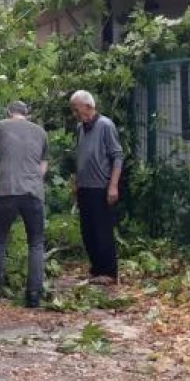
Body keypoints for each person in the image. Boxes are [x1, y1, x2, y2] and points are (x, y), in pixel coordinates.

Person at [0, 101, 50, 308]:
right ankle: (33, 296)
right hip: (33, 193)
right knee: (36, 243)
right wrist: (35, 177)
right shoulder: (40, 132)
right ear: (27, 114)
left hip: (6, 191)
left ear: (8, 112)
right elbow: (44, 163)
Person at [70, 90, 124, 285]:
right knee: (88, 231)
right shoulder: (80, 128)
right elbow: (80, 156)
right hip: (85, 186)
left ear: (88, 106)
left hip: (101, 185)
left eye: (76, 109)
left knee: (102, 230)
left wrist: (113, 186)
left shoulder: (105, 125)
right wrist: (77, 182)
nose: (75, 114)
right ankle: (96, 269)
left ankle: (109, 272)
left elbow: (117, 156)